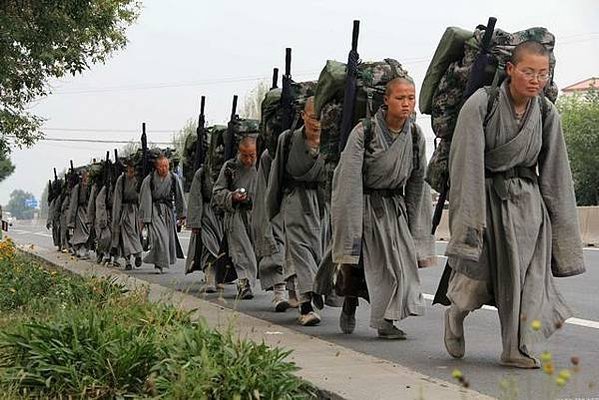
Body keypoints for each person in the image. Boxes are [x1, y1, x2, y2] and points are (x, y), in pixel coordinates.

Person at [441, 41, 585, 368]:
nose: (536, 80)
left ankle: (515, 348)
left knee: (529, 283)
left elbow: (556, 173)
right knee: (476, 280)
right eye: (528, 72)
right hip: (487, 201)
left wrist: (562, 235)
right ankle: (454, 315)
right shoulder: (482, 104)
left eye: (543, 74)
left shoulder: (547, 112)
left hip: (529, 209)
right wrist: (469, 224)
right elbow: (466, 165)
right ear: (511, 70)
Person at [330, 77, 435, 339]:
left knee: (397, 267)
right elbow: (349, 179)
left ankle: (386, 321)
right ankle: (350, 300)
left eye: (411, 98)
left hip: (394, 209)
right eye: (400, 98)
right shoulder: (364, 131)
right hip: (364, 206)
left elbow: (417, 180)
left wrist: (414, 225)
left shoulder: (414, 134)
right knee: (358, 266)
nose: (406, 104)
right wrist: (351, 226)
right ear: (386, 100)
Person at [266, 97, 328, 326]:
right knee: (301, 253)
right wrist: (272, 209)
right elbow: (277, 175)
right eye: (312, 117)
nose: (317, 122)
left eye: (321, 117)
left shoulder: (331, 140)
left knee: (317, 253)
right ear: (303, 115)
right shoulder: (289, 139)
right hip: (294, 201)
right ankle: (306, 306)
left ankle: (310, 293)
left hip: (320, 203)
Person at [212, 135, 258, 299]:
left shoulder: (263, 165)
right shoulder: (230, 167)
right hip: (236, 215)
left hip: (258, 214)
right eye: (245, 155)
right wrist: (232, 196)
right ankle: (244, 283)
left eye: (252, 155)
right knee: (240, 250)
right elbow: (217, 191)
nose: (248, 159)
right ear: (239, 152)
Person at [253, 148, 294, 312]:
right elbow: (263, 189)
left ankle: (298, 294)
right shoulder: (268, 155)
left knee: (299, 249)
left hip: (300, 203)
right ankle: (279, 293)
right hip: (275, 205)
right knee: (276, 247)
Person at [139, 154, 187, 273]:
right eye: (161, 166)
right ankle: (158, 264)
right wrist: (145, 219)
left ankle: (158, 262)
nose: (164, 169)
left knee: (167, 238)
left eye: (166, 166)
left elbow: (179, 196)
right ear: (156, 167)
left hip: (168, 211)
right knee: (159, 238)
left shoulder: (173, 178)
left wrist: (182, 215)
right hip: (154, 210)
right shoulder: (149, 180)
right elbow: (145, 199)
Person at [184, 164, 223, 292]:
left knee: (226, 250)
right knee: (209, 247)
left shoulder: (230, 168)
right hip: (206, 214)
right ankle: (210, 278)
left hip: (225, 214)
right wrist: (195, 222)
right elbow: (195, 197)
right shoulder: (202, 173)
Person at [112, 159, 143, 270]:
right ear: (126, 170)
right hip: (125, 211)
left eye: (133, 171)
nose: (131, 173)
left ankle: (138, 255)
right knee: (125, 237)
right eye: (129, 171)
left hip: (135, 211)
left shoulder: (138, 180)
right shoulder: (121, 180)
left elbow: (141, 197)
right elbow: (117, 198)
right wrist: (116, 216)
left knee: (136, 234)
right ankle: (128, 260)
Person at [67, 169, 91, 259]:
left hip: (87, 211)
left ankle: (83, 249)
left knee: (87, 231)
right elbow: (73, 203)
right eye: (86, 176)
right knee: (81, 232)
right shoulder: (77, 188)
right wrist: (71, 221)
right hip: (79, 213)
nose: (87, 178)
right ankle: (80, 249)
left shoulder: (90, 187)